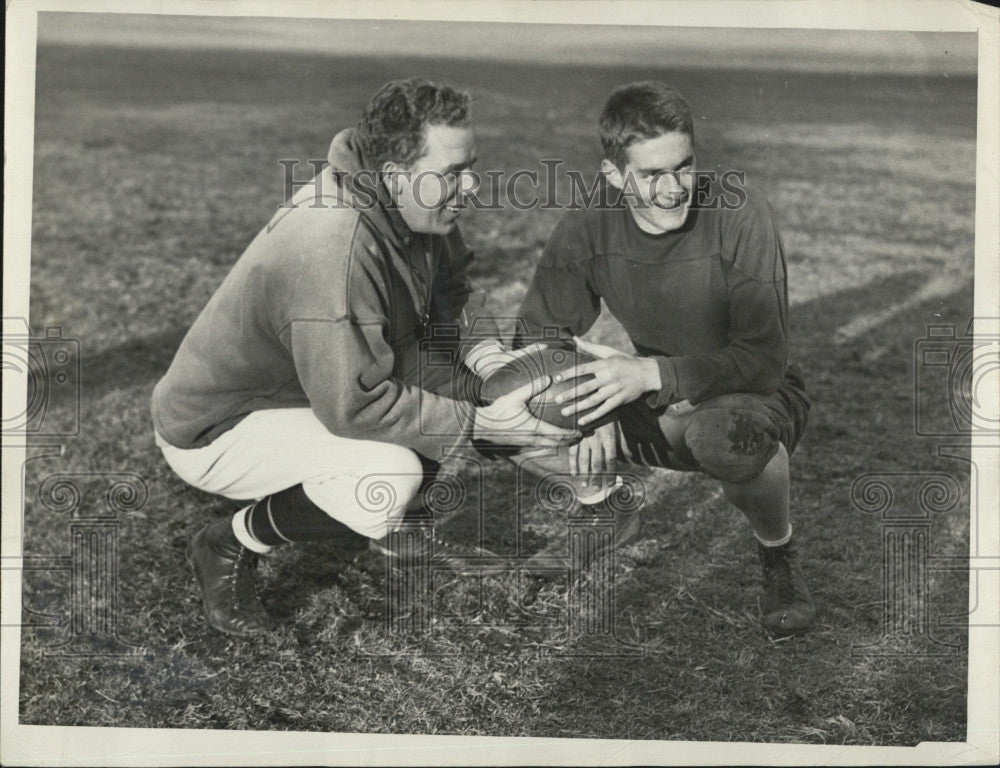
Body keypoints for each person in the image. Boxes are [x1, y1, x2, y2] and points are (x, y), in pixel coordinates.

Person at [151, 78, 579, 636]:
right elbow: (354, 406)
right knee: (388, 469)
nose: (472, 186)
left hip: (309, 392)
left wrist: (490, 364)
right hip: (219, 427)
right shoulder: (333, 243)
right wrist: (483, 423)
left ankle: (399, 529)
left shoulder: (415, 204)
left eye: (472, 165)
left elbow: (450, 301)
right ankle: (229, 543)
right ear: (395, 174)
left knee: (447, 406)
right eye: (454, 173)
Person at [516, 81, 815, 636]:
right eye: (651, 175)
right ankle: (603, 512)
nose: (674, 188)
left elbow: (764, 360)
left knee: (730, 436)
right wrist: (593, 408)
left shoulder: (739, 210)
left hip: (751, 397)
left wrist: (650, 373)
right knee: (523, 399)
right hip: (660, 400)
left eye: (684, 166)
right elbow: (536, 336)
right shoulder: (589, 224)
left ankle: (780, 556)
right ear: (612, 177)